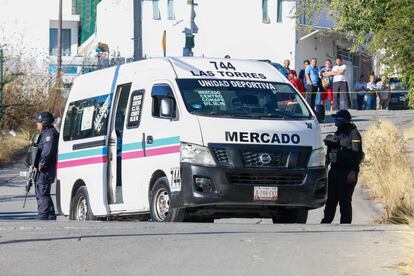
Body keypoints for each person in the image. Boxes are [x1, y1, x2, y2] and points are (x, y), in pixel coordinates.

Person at [321, 110, 364, 224]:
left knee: (344, 201)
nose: (335, 121)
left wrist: (353, 171)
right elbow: (329, 154)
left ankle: (345, 226)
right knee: (331, 200)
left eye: (338, 119)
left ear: (343, 120)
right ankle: (325, 223)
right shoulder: (337, 133)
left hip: (347, 173)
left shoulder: (353, 133)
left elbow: (357, 154)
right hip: (334, 171)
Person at [34, 112, 59, 220]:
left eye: (39, 122)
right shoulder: (45, 133)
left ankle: (43, 217)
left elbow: (47, 151)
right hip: (42, 168)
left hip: (45, 169)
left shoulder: (49, 134)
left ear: (44, 123)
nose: (37, 124)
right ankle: (50, 215)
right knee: (43, 193)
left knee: (42, 193)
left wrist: (41, 163)